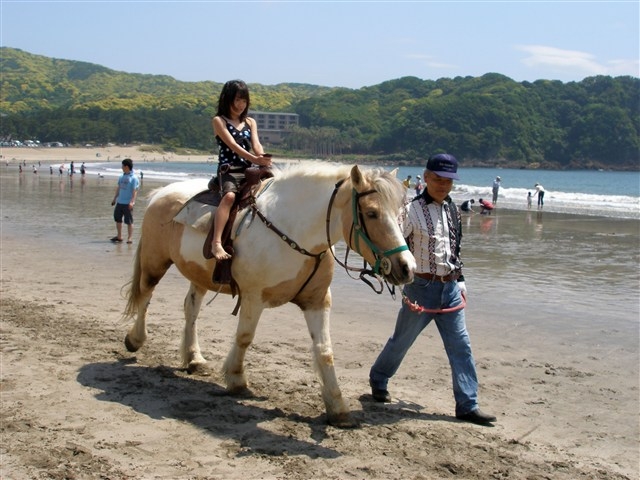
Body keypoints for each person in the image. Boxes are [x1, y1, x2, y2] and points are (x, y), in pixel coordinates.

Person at [369, 153, 496, 426]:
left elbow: (455, 250)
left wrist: (460, 283)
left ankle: (467, 405)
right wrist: (403, 290)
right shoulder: (410, 211)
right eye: (438, 179)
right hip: (420, 288)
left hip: (449, 289)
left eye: (448, 180)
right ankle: (379, 379)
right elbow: (392, 253)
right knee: (401, 342)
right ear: (426, 178)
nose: (443, 185)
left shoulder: (453, 210)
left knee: (461, 346)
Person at [209, 79, 272, 261]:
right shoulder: (219, 121)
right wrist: (254, 158)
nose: (240, 105)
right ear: (227, 99)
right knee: (229, 197)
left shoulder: (250, 122)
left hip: (249, 169)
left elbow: (256, 144)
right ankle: (217, 243)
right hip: (229, 170)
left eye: (243, 100)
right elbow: (233, 145)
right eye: (236, 100)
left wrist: (263, 157)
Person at [110, 158, 140, 244]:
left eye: (122, 165)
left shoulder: (134, 178)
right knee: (118, 219)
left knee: (129, 221)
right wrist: (114, 198)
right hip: (120, 202)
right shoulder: (121, 177)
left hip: (128, 203)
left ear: (126, 166)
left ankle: (130, 238)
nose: (121, 167)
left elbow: (135, 191)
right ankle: (119, 236)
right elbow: (118, 188)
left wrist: (132, 202)